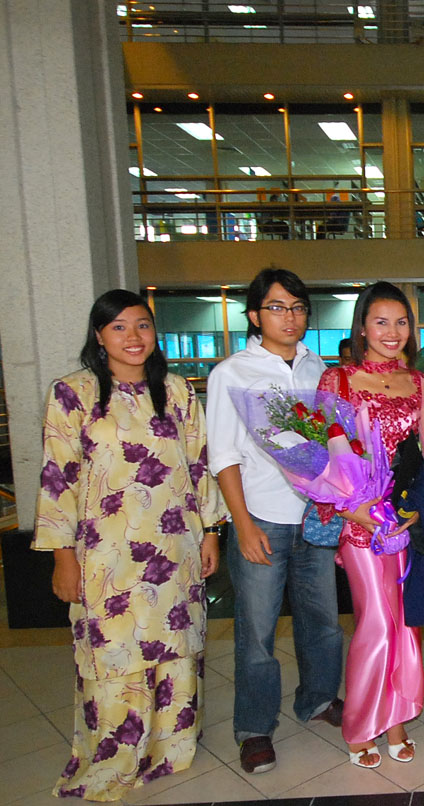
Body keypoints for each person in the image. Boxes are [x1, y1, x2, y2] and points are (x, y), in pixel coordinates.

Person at [35, 289, 227, 800]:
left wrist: (211, 531)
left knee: (176, 647)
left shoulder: (176, 390)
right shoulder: (72, 394)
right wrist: (61, 557)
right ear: (99, 336)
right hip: (103, 552)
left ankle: (172, 746)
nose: (133, 337)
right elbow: (59, 479)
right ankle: (114, 753)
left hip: (176, 545)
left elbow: (199, 465)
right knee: (112, 651)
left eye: (142, 325)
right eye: (119, 327)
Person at [206, 268, 344, 775]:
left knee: (324, 621)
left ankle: (319, 699)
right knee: (258, 631)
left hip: (316, 517)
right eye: (278, 307)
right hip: (262, 516)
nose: (290, 317)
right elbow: (223, 456)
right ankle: (255, 727)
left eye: (298, 307)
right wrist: (241, 525)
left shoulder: (317, 367)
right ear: (254, 315)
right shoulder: (232, 373)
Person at [318, 281, 424, 768]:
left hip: (405, 522)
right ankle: (360, 726)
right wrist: (355, 511)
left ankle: (397, 718)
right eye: (381, 322)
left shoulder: (420, 384)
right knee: (374, 622)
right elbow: (321, 462)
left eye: (401, 322)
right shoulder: (338, 381)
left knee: (404, 622)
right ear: (363, 327)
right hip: (359, 523)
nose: (392, 332)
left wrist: (420, 508)